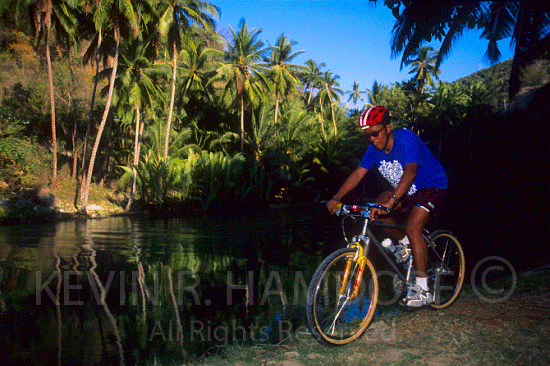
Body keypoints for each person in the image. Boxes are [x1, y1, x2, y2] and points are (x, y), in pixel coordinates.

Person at [326, 105, 448, 308]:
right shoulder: (373, 149)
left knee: (412, 226)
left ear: (388, 127)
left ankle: (423, 289)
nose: (372, 139)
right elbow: (358, 174)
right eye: (368, 136)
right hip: (407, 189)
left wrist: (392, 200)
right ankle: (406, 245)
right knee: (375, 209)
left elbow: (410, 173)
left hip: (432, 184)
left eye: (375, 133)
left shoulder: (406, 139)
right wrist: (337, 197)